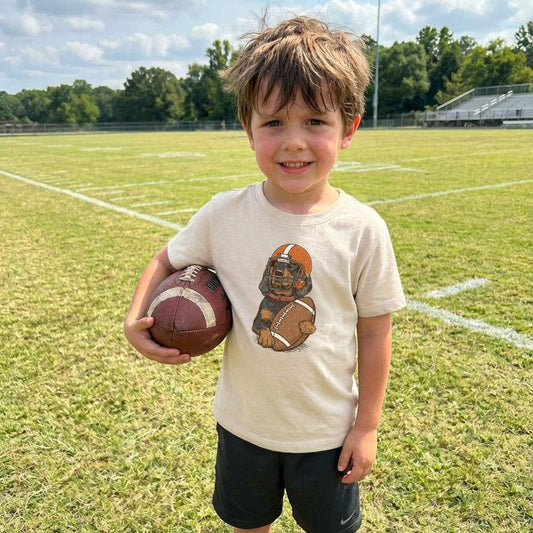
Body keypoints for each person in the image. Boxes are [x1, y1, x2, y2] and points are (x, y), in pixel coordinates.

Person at [124, 15, 405, 533]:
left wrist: (366, 426)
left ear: (349, 128)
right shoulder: (223, 213)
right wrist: (135, 320)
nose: (293, 142)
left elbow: (374, 332)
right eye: (274, 122)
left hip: (325, 433)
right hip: (243, 426)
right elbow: (166, 258)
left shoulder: (363, 228)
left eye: (315, 122)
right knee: (247, 524)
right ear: (248, 129)